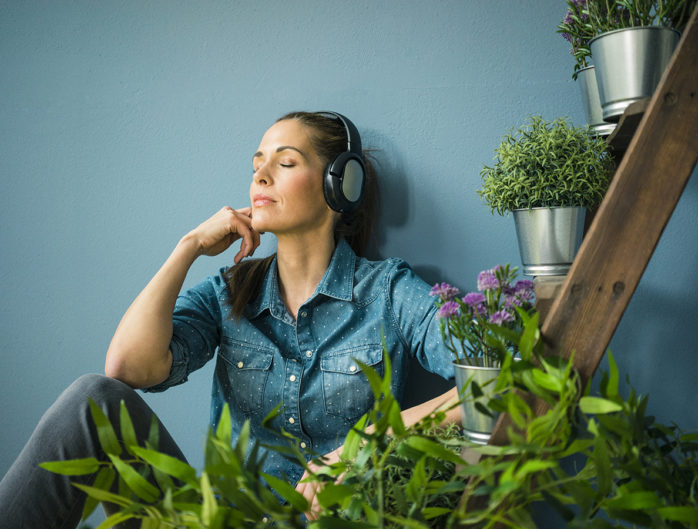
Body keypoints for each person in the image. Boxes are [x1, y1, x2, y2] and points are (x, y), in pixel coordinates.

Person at [0, 111, 459, 527]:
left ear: (340, 185)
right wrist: (189, 248)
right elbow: (127, 369)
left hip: (340, 521)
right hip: (224, 521)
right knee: (94, 399)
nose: (260, 174)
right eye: (257, 163)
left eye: (285, 163)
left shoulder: (387, 292)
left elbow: (499, 381)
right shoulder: (228, 292)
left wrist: (372, 441)